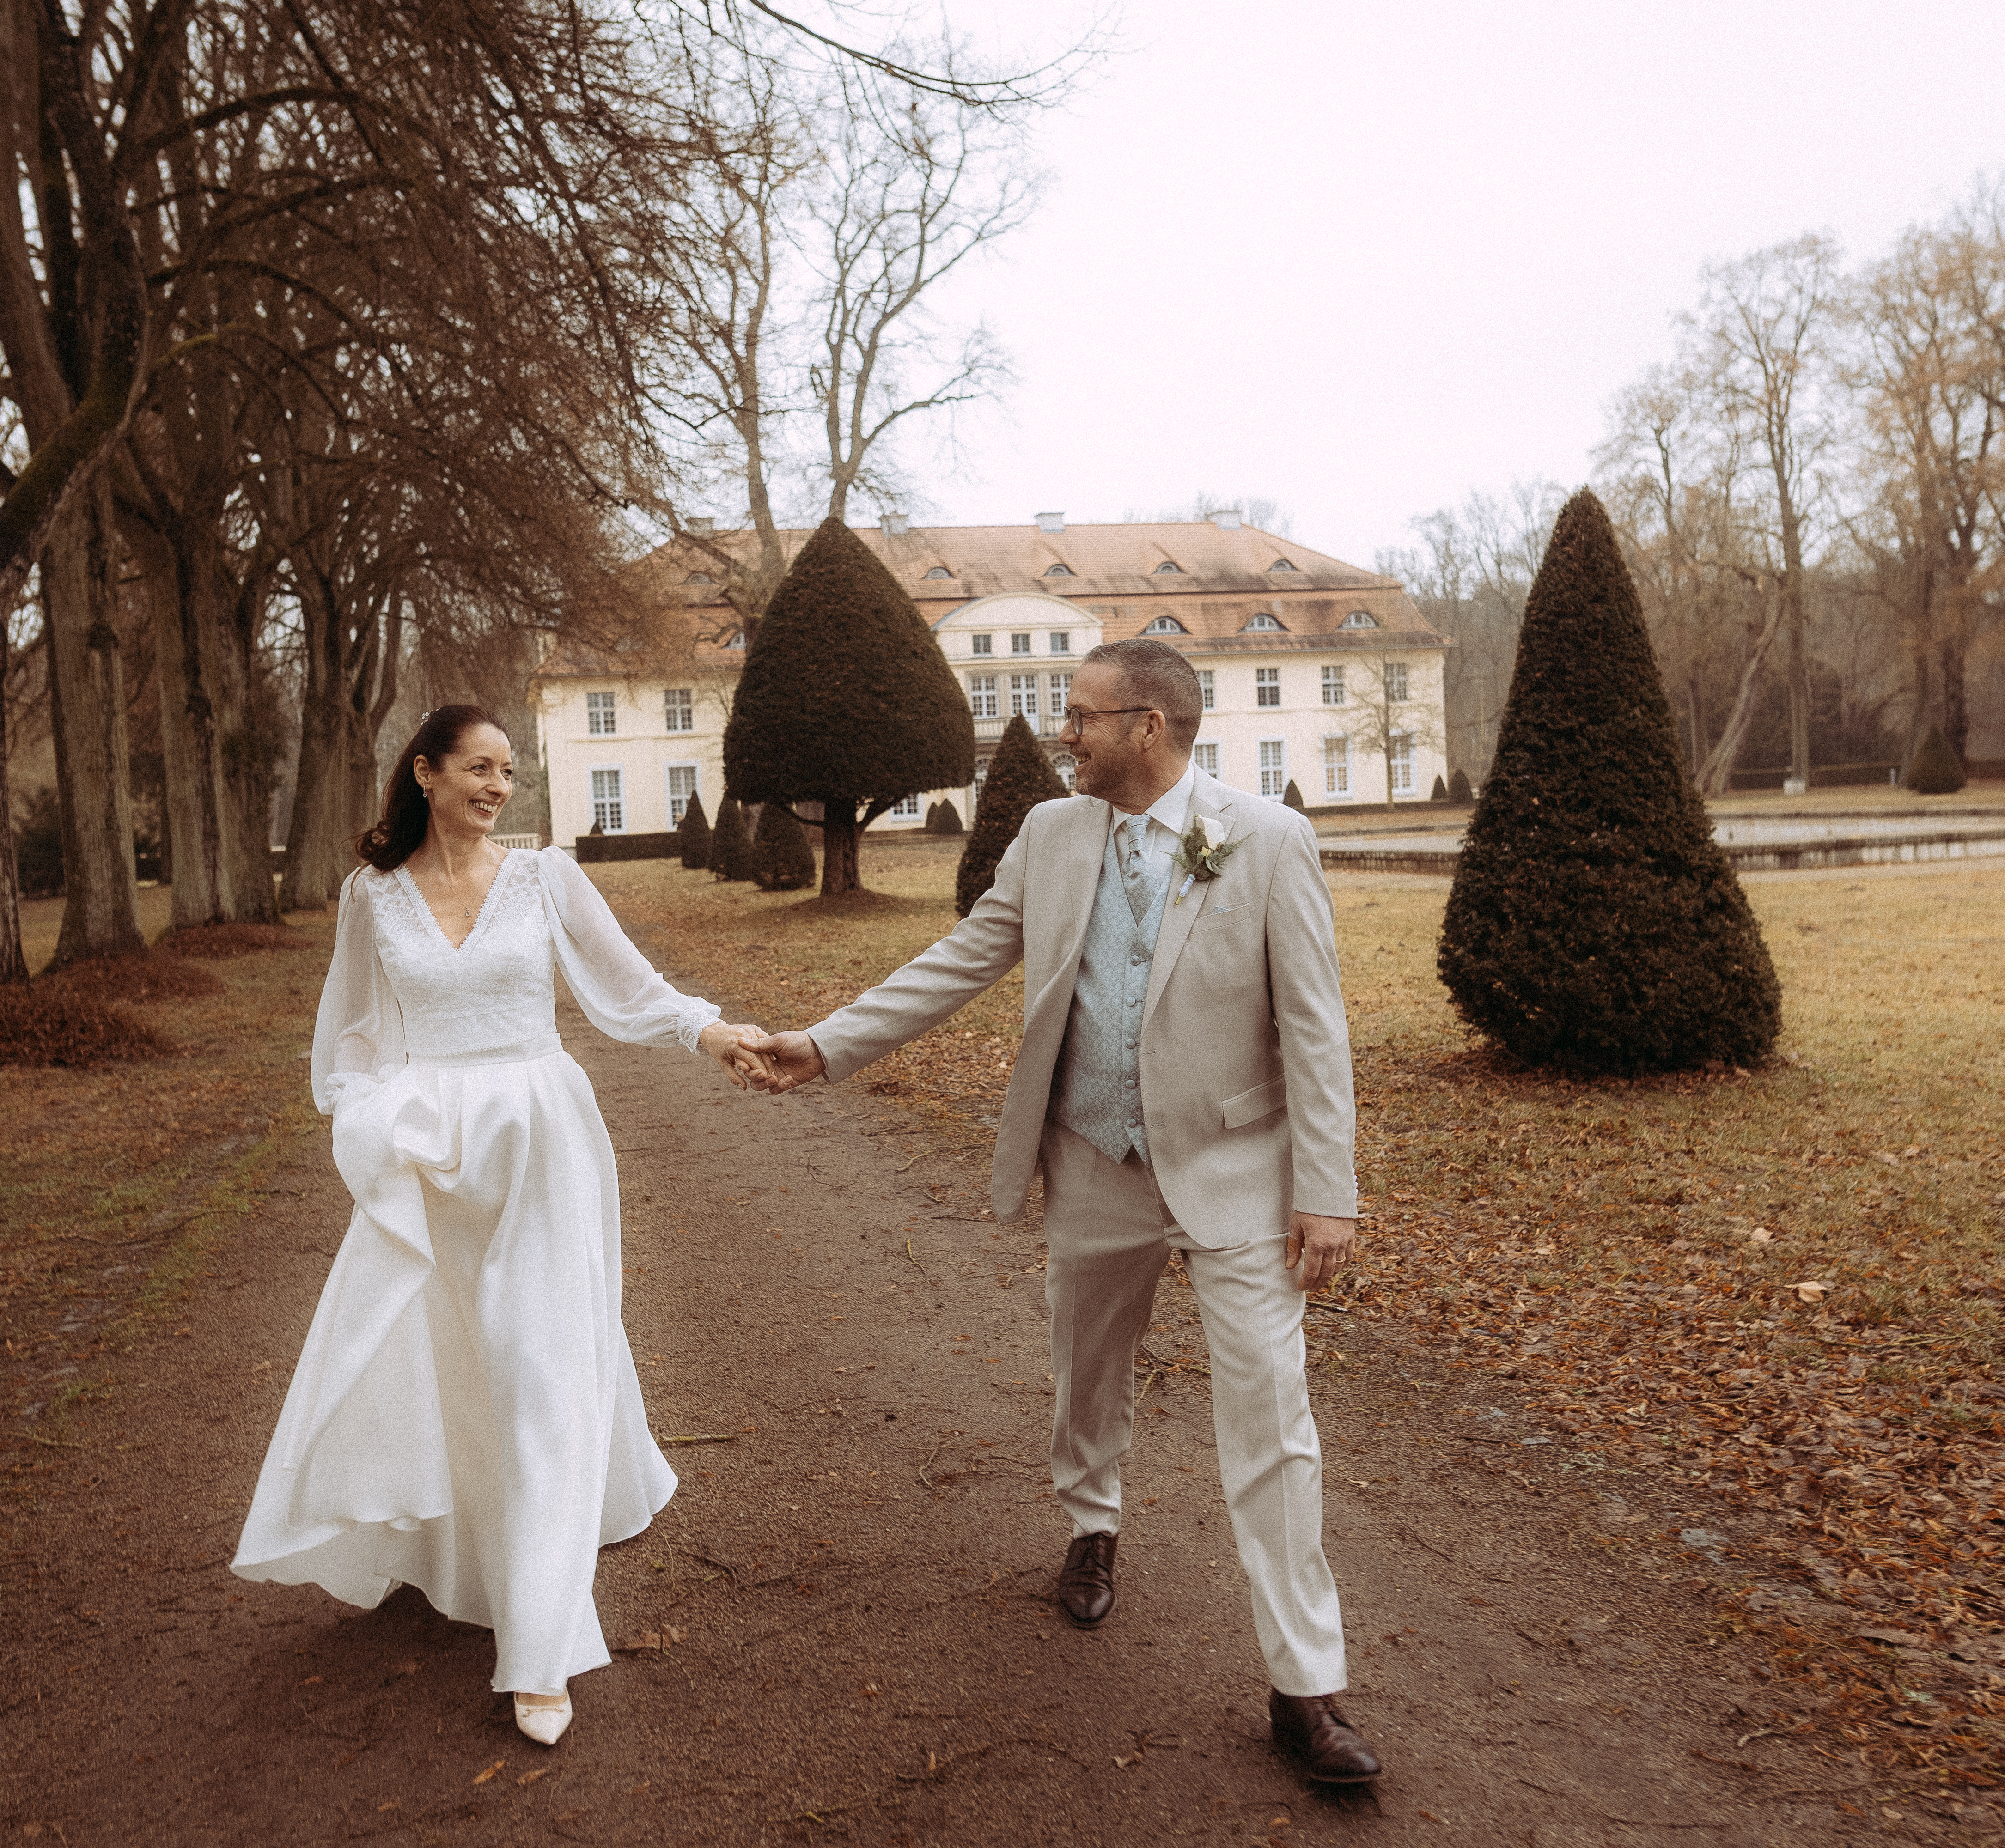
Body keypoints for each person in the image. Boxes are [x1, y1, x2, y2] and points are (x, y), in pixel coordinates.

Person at [750, 640, 1380, 1786]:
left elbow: (1318, 1024)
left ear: (1150, 725)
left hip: (1237, 1170)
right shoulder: (1049, 835)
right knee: (1086, 1373)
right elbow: (962, 958)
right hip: (1092, 1157)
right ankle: (1094, 1522)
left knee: (1274, 1420)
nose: (1056, 733)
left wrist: (1327, 1188)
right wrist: (827, 1043)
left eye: (1080, 716)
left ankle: (1306, 1685)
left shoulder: (1267, 839)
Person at [231, 705, 772, 1746]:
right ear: (424, 772)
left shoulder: (546, 878)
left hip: (542, 1143)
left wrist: (714, 1032)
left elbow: (631, 988)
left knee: (541, 1367)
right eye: (478, 767)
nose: (497, 786)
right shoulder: (371, 896)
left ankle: (542, 1640)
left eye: (508, 771)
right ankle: (460, 1551)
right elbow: (348, 1039)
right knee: (451, 1368)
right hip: (431, 1158)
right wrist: (378, 1123)